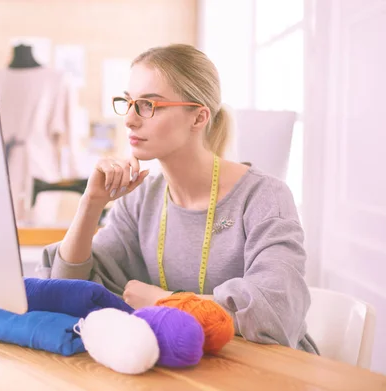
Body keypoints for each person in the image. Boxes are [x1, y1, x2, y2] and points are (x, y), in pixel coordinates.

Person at [37, 43, 318, 354]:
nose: (129, 119)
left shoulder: (265, 197)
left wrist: (162, 301)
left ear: (198, 118)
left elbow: (275, 313)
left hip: (267, 371)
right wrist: (90, 204)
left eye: (148, 105)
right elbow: (68, 291)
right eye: (129, 102)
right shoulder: (141, 198)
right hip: (181, 363)